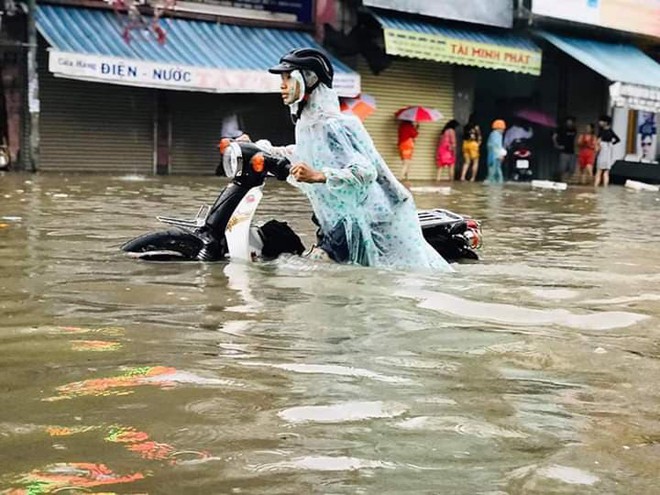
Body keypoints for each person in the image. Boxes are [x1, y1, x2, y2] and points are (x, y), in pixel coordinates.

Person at [263, 47, 451, 271]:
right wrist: (258, 149)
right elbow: (305, 155)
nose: (282, 85)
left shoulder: (332, 125)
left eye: (288, 78)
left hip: (359, 221)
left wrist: (318, 175)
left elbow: (365, 171)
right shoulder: (307, 124)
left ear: (309, 79)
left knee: (317, 276)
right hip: (336, 220)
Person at [594, 115, 620, 187]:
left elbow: (597, 142)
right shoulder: (611, 131)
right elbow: (618, 140)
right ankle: (605, 187)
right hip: (608, 151)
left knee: (599, 171)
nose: (600, 122)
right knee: (606, 171)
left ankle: (596, 186)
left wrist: (599, 146)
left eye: (601, 121)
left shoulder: (602, 132)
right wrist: (611, 144)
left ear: (605, 122)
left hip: (603, 150)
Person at [552, 116, 577, 182]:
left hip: (572, 151)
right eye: (569, 121)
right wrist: (557, 145)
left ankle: (568, 180)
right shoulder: (561, 129)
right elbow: (554, 136)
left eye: (571, 122)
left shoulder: (574, 129)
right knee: (562, 168)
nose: (570, 123)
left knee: (572, 169)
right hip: (564, 151)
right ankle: (561, 180)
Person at [460, 113, 481, 182]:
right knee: (475, 162)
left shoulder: (466, 126)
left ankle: (462, 177)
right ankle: (473, 178)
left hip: (465, 144)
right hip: (473, 144)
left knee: (466, 162)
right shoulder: (476, 127)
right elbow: (479, 136)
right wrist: (478, 144)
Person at [486, 119, 506, 184]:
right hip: (494, 157)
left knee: (495, 171)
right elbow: (495, 146)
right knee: (494, 172)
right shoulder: (496, 135)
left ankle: (495, 184)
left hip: (495, 156)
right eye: (503, 129)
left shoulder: (495, 135)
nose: (503, 130)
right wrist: (499, 155)